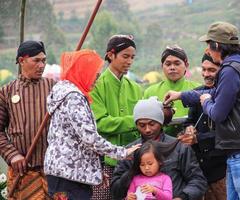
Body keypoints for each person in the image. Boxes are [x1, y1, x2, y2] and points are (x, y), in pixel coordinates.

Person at [164, 21, 240, 199]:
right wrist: (181, 95)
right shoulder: (239, 65)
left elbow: (218, 113)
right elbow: (214, 92)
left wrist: (206, 103)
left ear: (218, 45)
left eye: (208, 45)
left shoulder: (230, 70)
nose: (207, 51)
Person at [44, 49, 140, 200]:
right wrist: (122, 153)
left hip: (68, 172)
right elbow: (89, 138)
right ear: (83, 71)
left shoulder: (65, 92)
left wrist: (93, 171)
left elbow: (76, 140)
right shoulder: (73, 97)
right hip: (69, 176)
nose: (97, 77)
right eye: (94, 72)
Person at [111, 97, 207, 200]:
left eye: (152, 124)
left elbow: (198, 180)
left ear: (161, 123)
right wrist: (133, 169)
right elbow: (115, 190)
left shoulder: (179, 147)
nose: (147, 130)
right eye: (142, 125)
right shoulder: (130, 151)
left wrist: (182, 197)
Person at [0, 40, 55, 199]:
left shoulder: (55, 88)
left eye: (44, 60)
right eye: (36, 60)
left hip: (52, 173)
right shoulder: (6, 92)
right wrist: (12, 155)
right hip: (23, 175)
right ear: (22, 61)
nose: (42, 65)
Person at [90, 34, 142, 199]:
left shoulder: (135, 87)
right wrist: (136, 120)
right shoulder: (96, 85)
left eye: (132, 57)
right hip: (106, 162)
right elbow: (100, 123)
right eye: (125, 56)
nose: (129, 61)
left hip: (133, 160)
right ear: (111, 55)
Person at [178, 53, 227, 200]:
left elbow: (228, 133)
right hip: (200, 168)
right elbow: (190, 120)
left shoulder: (228, 95)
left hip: (223, 169)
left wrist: (198, 138)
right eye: (203, 69)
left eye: (211, 70)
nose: (206, 74)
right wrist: (189, 129)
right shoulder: (197, 92)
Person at [144, 45, 198, 137]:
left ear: (186, 65)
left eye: (177, 63)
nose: (172, 67)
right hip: (160, 145)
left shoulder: (197, 89)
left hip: (191, 144)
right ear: (162, 66)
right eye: (168, 64)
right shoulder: (150, 92)